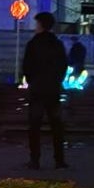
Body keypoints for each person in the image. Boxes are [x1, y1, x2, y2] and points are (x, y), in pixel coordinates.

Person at [21, 10, 69, 170]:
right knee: (56, 126)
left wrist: (32, 81)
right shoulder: (57, 44)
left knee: (35, 126)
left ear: (40, 25)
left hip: (37, 90)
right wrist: (56, 81)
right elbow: (63, 65)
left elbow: (27, 66)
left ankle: (35, 160)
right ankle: (59, 160)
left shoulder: (33, 44)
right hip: (53, 90)